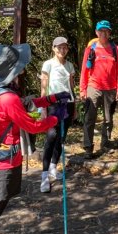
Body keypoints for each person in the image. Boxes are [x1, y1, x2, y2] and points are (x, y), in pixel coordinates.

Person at [0, 44, 60, 234]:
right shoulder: (8, 98)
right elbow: (31, 125)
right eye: (20, 66)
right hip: (5, 162)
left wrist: (52, 98)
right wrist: (55, 119)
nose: (24, 68)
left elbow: (25, 105)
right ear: (13, 69)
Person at [80, 20, 118, 159]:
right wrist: (83, 89)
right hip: (93, 87)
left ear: (110, 32)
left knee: (108, 119)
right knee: (89, 118)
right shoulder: (90, 49)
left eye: (106, 31)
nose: (104, 33)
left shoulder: (116, 49)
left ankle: (105, 144)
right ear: (96, 32)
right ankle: (88, 148)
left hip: (110, 89)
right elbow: (84, 71)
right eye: (101, 31)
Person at [39, 36, 76, 193]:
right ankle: (44, 175)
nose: (62, 50)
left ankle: (54, 167)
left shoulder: (70, 66)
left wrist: (75, 108)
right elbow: (44, 86)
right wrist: (43, 107)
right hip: (53, 103)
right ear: (53, 48)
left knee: (61, 136)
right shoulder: (48, 64)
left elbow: (72, 86)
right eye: (59, 47)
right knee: (51, 136)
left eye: (65, 47)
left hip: (68, 103)